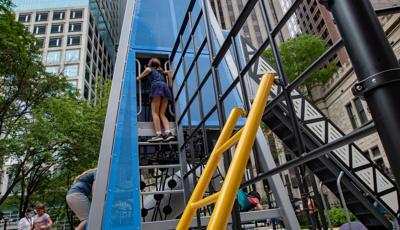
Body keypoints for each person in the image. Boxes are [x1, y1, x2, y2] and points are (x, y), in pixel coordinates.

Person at [137, 58, 175, 142]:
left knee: (155, 112)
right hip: (165, 88)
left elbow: (140, 77)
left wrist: (137, 77)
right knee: (162, 114)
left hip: (157, 87)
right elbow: (169, 73)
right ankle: (168, 133)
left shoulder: (148, 69)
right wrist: (170, 85)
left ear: (150, 64)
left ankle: (158, 134)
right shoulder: (161, 72)